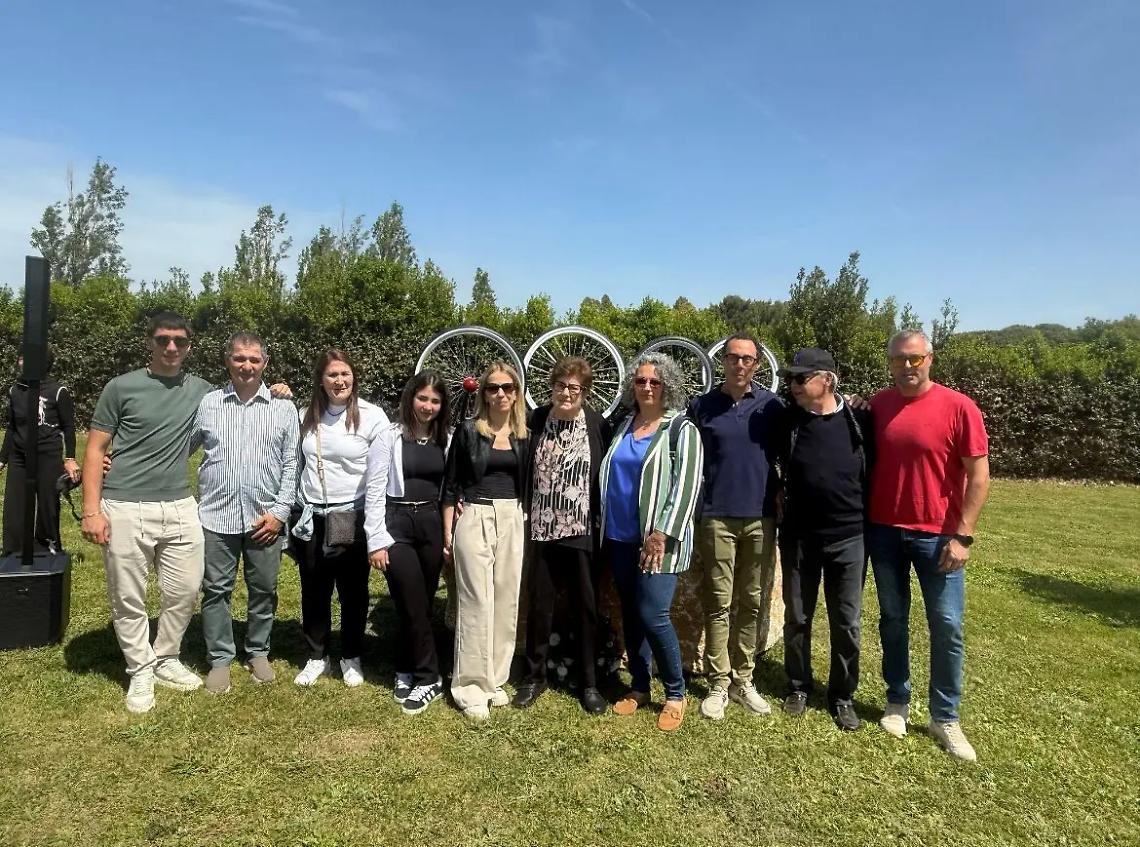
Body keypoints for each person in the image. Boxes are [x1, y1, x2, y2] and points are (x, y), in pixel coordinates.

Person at [81, 312, 215, 713]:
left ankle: (166, 657)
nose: (171, 347)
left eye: (179, 340)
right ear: (150, 342)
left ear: (190, 345)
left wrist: (277, 390)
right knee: (128, 596)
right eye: (162, 339)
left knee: (186, 590)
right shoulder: (121, 387)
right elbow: (95, 450)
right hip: (123, 504)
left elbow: (239, 399)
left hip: (179, 504)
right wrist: (91, 511)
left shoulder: (203, 391)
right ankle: (140, 668)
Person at [867, 329, 990, 761]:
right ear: (890, 362)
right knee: (893, 619)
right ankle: (897, 700)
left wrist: (963, 535)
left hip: (938, 536)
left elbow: (978, 476)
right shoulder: (877, 406)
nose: (906, 367)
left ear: (930, 359)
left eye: (914, 359)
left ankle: (945, 716)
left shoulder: (960, 407)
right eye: (899, 359)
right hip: (883, 531)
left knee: (947, 625)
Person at [600, 352, 703, 732]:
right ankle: (640, 686)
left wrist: (660, 534)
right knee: (630, 612)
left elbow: (687, 487)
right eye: (641, 380)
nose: (646, 387)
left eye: (654, 382)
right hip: (620, 536)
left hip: (657, 541)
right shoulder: (625, 423)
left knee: (654, 614)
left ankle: (675, 693)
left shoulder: (681, 429)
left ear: (667, 387)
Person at [195, 332, 300, 694]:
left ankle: (257, 652)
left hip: (265, 519)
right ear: (227, 360)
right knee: (215, 590)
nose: (247, 366)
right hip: (216, 516)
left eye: (254, 359)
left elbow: (292, 464)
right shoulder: (208, 404)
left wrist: (280, 512)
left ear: (265, 363)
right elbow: (178, 447)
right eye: (240, 358)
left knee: (264, 589)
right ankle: (220, 659)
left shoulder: (284, 408)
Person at [775, 348, 874, 731]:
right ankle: (799, 685)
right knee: (798, 617)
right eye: (790, 379)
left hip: (849, 536)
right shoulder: (787, 419)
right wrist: (774, 489)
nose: (793, 385)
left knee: (846, 621)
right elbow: (761, 457)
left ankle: (842, 695)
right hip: (799, 536)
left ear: (827, 380)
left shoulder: (861, 418)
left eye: (801, 379)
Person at [687, 333, 783, 721]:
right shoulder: (702, 406)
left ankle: (744, 679)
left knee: (753, 600)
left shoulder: (771, 407)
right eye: (733, 358)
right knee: (718, 601)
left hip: (761, 516)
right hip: (717, 517)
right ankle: (718, 683)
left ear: (757, 365)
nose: (739, 364)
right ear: (722, 362)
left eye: (747, 359)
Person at [514, 357, 612, 715]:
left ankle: (589, 683)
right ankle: (534, 676)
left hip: (582, 529)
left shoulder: (597, 423)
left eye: (574, 388)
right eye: (560, 386)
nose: (566, 393)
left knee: (586, 607)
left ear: (584, 392)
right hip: (541, 527)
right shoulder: (536, 420)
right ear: (551, 387)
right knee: (540, 604)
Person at [292, 349, 389, 688]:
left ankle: (350, 655)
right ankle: (316, 656)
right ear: (321, 379)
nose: (339, 381)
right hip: (312, 514)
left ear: (354, 377)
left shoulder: (372, 416)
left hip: (349, 515)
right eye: (332, 375)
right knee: (313, 589)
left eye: (345, 374)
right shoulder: (306, 415)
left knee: (352, 590)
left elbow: (379, 475)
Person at [443, 361, 530, 721]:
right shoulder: (467, 431)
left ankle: (494, 679)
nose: (500, 394)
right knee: (476, 601)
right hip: (474, 515)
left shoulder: (526, 434)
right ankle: (469, 688)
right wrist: (448, 535)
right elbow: (450, 487)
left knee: (505, 600)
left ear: (516, 392)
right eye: (493, 388)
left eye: (507, 387)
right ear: (483, 393)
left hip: (512, 517)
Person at [364, 371, 450, 715]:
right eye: (422, 398)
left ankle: (406, 665)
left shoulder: (448, 438)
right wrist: (376, 540)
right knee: (412, 599)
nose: (427, 406)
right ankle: (429, 677)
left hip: (431, 522)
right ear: (410, 398)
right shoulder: (389, 437)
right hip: (397, 522)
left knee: (418, 602)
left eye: (435, 400)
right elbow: (373, 489)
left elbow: (453, 485)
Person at [0, 349, 79, 555]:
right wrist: (2, 460)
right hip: (19, 457)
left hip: (47, 455)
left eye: (25, 356)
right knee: (14, 506)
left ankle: (48, 546)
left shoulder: (57, 391)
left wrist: (70, 458)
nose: (20, 360)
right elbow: (12, 426)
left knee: (47, 504)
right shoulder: (15, 390)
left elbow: (68, 426)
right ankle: (13, 551)